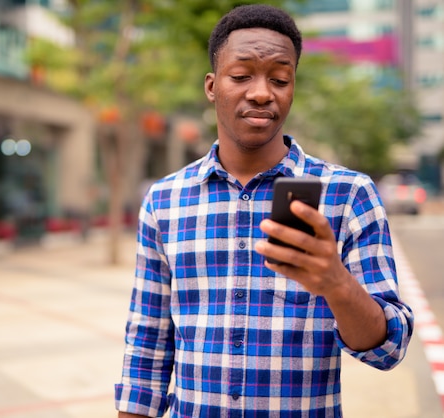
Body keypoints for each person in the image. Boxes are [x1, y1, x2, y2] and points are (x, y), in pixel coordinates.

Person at [115, 4, 413, 417]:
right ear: (211, 86)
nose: (261, 92)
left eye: (280, 78)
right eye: (240, 76)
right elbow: (147, 345)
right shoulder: (165, 199)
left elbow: (390, 349)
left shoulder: (349, 195)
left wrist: (336, 284)